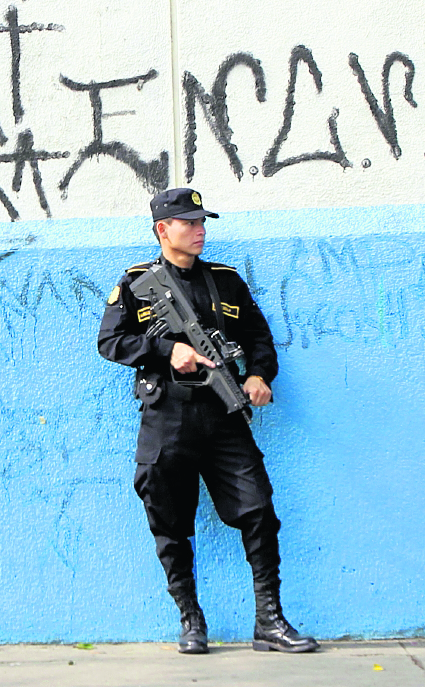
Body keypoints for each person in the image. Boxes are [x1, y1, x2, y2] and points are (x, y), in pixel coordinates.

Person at [97, 187, 316, 655]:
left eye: (202, 223)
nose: (199, 232)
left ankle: (270, 622)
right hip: (168, 415)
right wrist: (164, 349)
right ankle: (191, 619)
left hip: (223, 414)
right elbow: (111, 342)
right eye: (189, 224)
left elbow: (259, 337)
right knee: (169, 518)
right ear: (163, 230)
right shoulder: (137, 283)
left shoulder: (226, 281)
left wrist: (258, 375)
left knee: (258, 510)